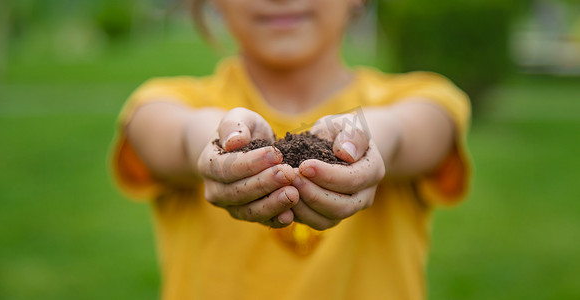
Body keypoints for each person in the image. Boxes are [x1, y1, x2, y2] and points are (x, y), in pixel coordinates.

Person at [110, 0, 471, 299]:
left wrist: (363, 137)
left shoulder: (423, 100)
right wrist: (223, 143)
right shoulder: (163, 103)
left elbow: (407, 131)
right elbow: (180, 133)